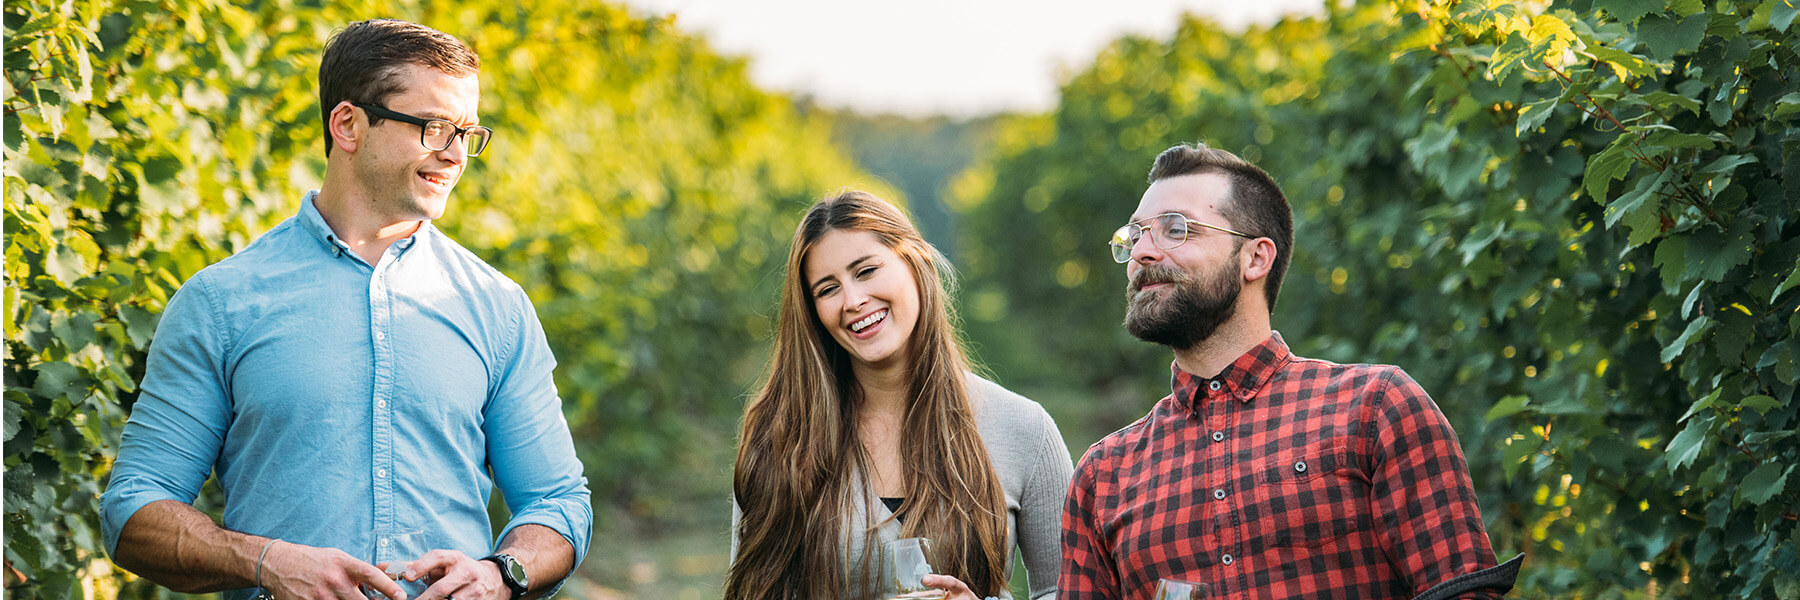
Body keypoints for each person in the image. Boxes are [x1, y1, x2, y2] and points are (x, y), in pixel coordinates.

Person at [99, 19, 591, 600]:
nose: (456, 155)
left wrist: (500, 573)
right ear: (348, 125)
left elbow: (556, 502)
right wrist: (266, 561)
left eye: (467, 132)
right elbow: (133, 511)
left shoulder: (497, 306)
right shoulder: (221, 302)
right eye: (435, 128)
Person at [1059, 144, 1520, 600]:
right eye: (1135, 235)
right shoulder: (1104, 475)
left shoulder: (1376, 407)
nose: (1142, 251)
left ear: (1256, 258)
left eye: (1175, 230)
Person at [726, 191, 1073, 600]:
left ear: (917, 262)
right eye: (827, 289)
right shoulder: (781, 434)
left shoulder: (1024, 429)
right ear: (812, 311)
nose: (853, 301)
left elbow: (1069, 592)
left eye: (867, 271)